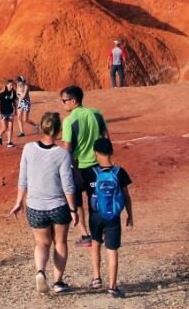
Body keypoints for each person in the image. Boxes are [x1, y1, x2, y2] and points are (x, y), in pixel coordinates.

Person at [10, 112, 77, 294]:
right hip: (58, 206)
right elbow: (68, 185)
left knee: (41, 243)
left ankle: (40, 271)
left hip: (35, 206)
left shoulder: (28, 148)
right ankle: (58, 282)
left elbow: (23, 178)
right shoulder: (62, 154)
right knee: (60, 242)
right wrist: (73, 209)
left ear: (42, 126)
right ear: (59, 130)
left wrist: (19, 201)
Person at [60, 85, 109, 246]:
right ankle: (100, 231)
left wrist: (67, 170)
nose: (63, 103)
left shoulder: (69, 121)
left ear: (73, 101)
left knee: (77, 202)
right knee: (96, 199)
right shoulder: (96, 113)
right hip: (97, 165)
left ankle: (85, 235)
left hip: (78, 167)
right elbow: (106, 138)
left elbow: (67, 149)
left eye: (64, 100)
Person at [84, 137, 133, 298]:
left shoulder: (90, 173)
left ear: (95, 153)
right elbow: (126, 196)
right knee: (112, 251)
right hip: (113, 216)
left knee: (96, 244)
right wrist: (130, 215)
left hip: (95, 216)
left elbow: (86, 193)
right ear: (112, 151)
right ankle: (112, 286)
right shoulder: (120, 172)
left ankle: (96, 278)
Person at [0, 80, 17, 147]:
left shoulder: (13, 93)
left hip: (10, 112)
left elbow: (14, 102)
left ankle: (9, 142)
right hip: (3, 113)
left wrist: (15, 111)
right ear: (7, 85)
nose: (12, 86)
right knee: (5, 128)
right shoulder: (2, 93)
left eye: (12, 85)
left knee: (10, 128)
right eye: (10, 85)